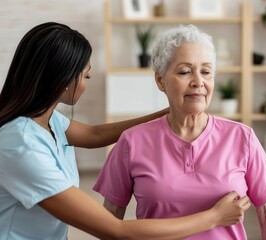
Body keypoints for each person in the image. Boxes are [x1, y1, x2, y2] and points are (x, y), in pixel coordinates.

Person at [0, 22, 252, 240]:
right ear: (63, 79)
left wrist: (173, 110)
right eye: (86, 76)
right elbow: (115, 231)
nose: (87, 83)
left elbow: (94, 135)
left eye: (205, 71)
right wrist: (214, 217)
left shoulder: (47, 119)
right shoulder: (20, 144)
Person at [94, 24, 266, 240]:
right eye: (185, 72)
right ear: (160, 81)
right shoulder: (131, 142)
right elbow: (108, 222)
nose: (198, 82)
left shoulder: (243, 137)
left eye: (206, 72)